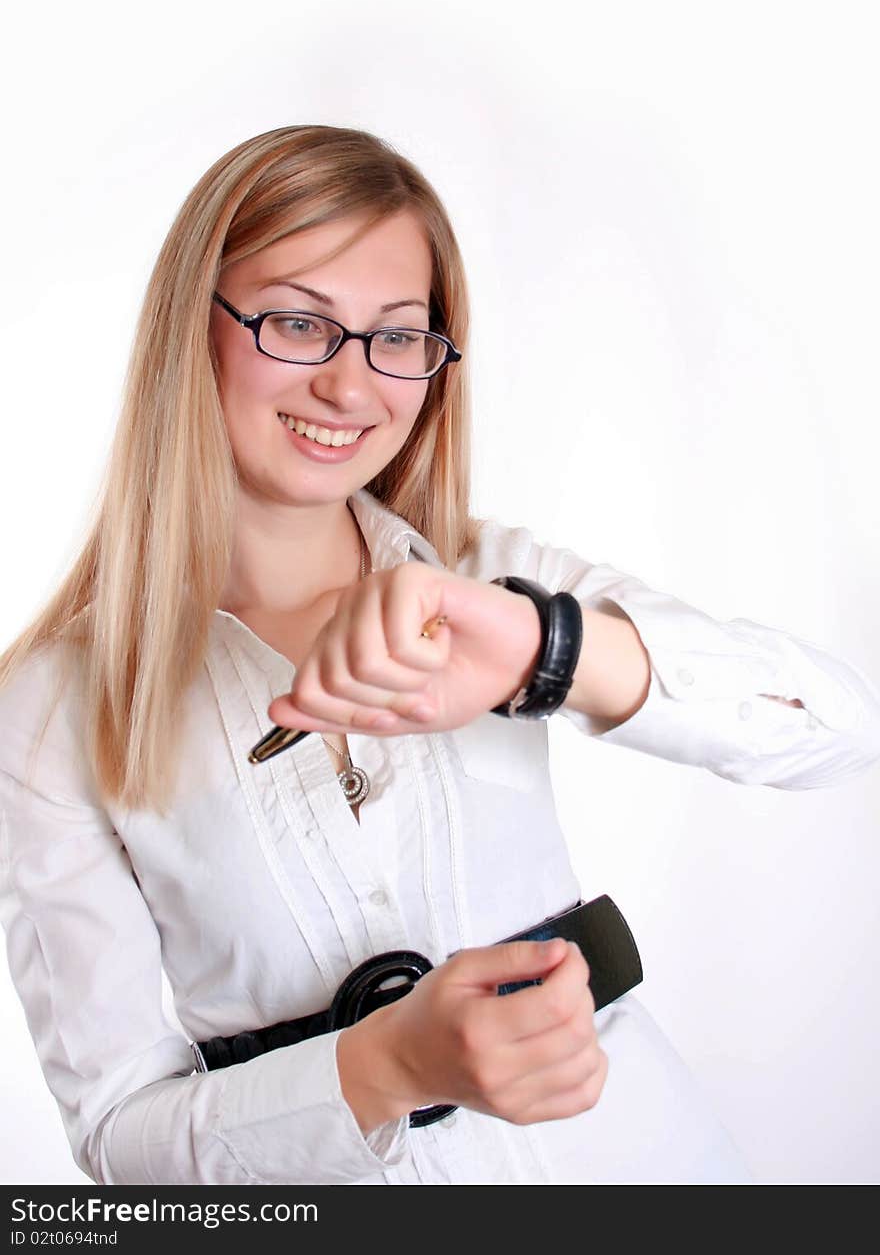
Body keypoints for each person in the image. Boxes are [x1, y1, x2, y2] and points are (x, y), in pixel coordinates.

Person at [1, 125, 878, 1187]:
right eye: (296, 322)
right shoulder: (48, 708)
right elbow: (120, 1139)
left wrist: (542, 652)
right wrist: (380, 1068)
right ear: (195, 326)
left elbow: (833, 731)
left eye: (399, 337)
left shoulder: (490, 576)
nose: (350, 386)